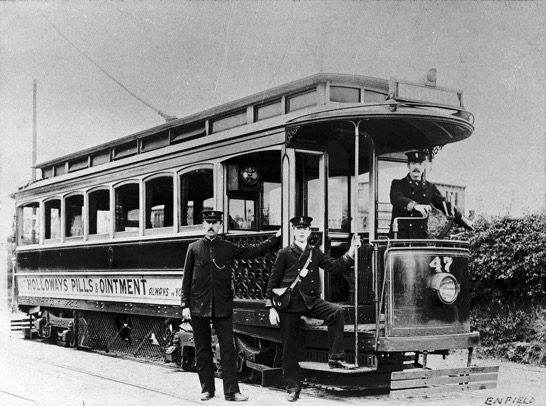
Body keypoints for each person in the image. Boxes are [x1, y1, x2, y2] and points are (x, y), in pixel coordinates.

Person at [181, 210, 281, 402]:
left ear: (220, 226)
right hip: (198, 306)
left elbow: (254, 251)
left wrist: (276, 239)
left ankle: (231, 392)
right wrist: (185, 305)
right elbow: (186, 279)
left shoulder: (227, 247)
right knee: (202, 349)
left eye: (215, 223)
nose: (211, 227)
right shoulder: (193, 248)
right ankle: (206, 389)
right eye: (208, 223)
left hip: (222, 306)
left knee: (228, 349)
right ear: (203, 225)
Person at [265, 216, 361, 402]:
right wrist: (271, 308)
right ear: (293, 231)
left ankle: (335, 358)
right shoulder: (284, 253)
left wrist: (351, 251)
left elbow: (335, 267)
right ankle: (293, 386)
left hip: (309, 301)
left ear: (310, 232)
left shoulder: (315, 253)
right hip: (288, 305)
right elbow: (272, 282)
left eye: (305, 229)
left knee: (335, 311)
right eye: (298, 228)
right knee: (289, 347)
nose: (301, 232)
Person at [389, 150, 474, 239]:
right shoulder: (397, 184)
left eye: (420, 164)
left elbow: (445, 205)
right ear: (408, 165)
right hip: (399, 239)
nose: (416, 167)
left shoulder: (430, 187)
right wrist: (415, 206)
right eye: (413, 163)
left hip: (419, 239)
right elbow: (396, 198)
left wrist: (464, 221)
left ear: (424, 166)